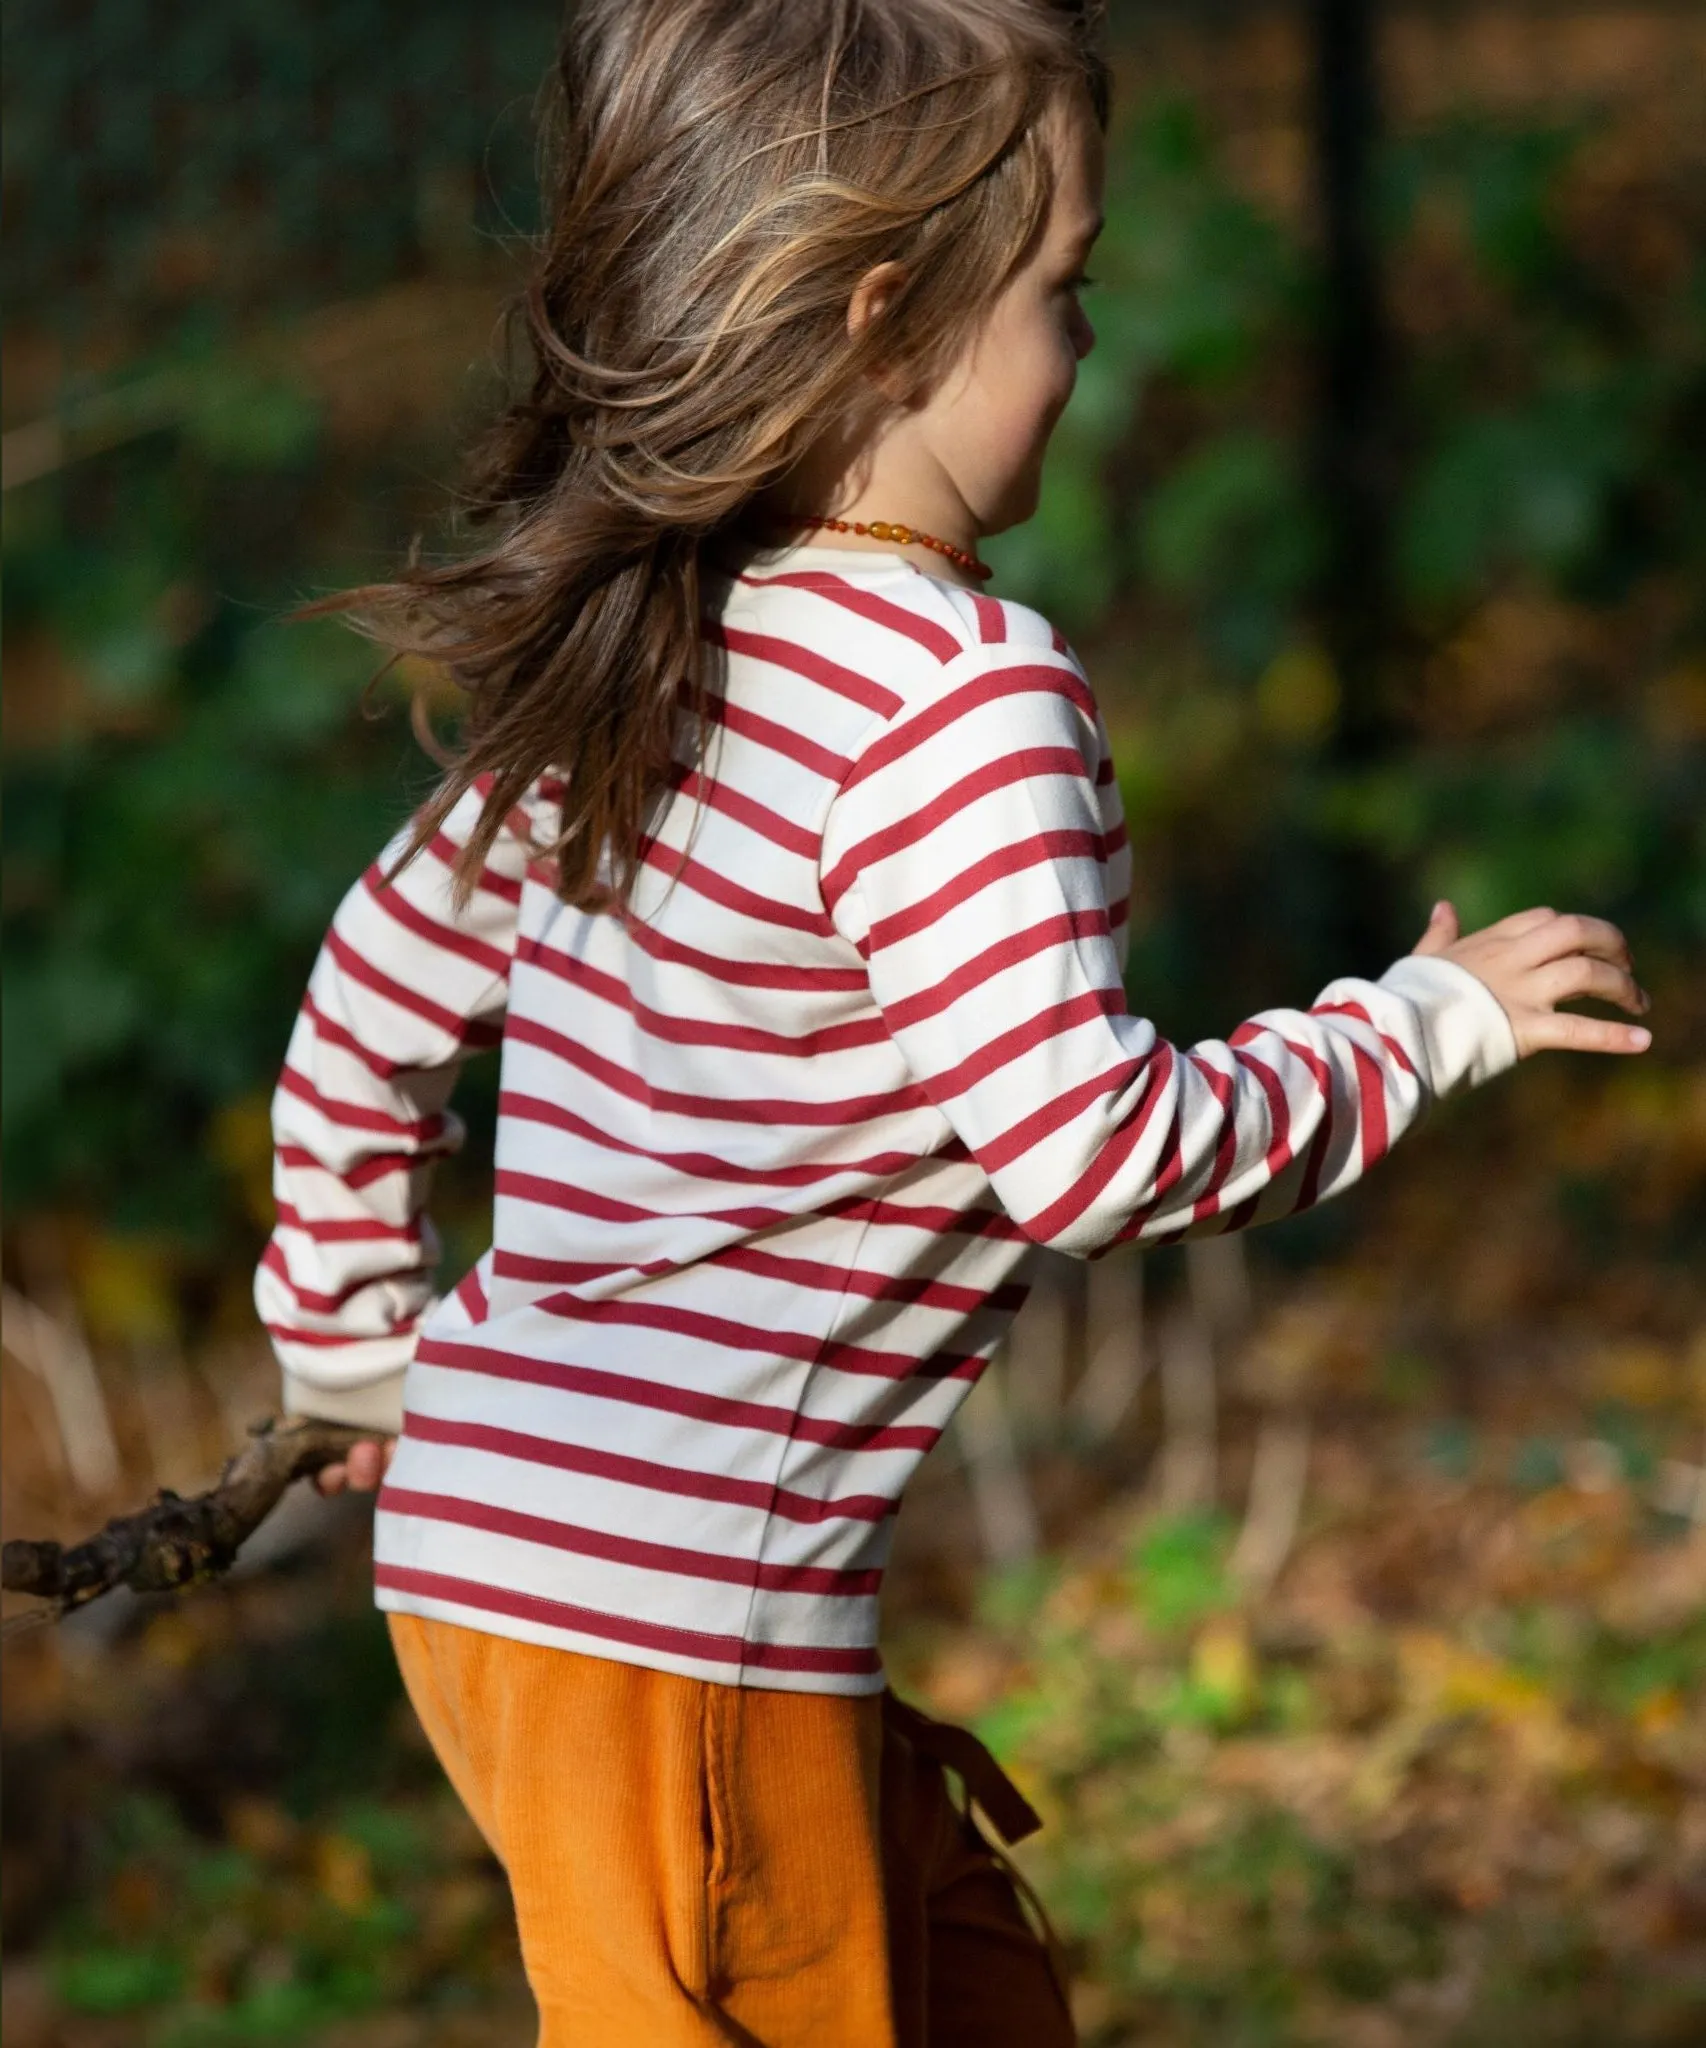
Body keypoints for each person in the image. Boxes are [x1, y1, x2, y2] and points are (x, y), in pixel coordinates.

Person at [255, 2, 1651, 2041]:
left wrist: (355, 1346)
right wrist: (1414, 1027)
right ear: (891, 321)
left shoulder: (659, 640)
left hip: (515, 1561)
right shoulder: (955, 700)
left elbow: (369, 994)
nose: (1083, 354)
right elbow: (1083, 1151)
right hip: (676, 1621)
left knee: (968, 1989)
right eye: (1062, 294)